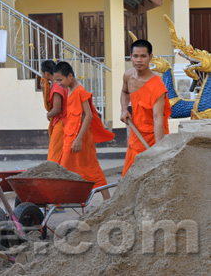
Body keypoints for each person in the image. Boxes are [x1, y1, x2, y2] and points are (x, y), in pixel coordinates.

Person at [54, 61, 114, 200]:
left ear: (70, 76)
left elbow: (89, 115)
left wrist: (79, 138)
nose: (58, 84)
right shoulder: (70, 90)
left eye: (60, 80)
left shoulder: (80, 91)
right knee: (71, 168)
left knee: (88, 168)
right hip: (71, 136)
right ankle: (69, 199)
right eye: (56, 80)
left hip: (80, 138)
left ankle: (107, 200)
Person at [120, 39, 171, 176]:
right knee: (129, 177)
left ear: (150, 57)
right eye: (135, 56)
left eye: (143, 56)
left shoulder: (157, 86)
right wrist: (124, 109)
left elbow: (158, 118)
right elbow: (124, 92)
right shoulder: (128, 76)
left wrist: (158, 150)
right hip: (136, 134)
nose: (139, 60)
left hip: (154, 137)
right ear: (130, 56)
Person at [40, 60, 68, 163]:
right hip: (63, 122)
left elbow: (56, 109)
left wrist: (49, 114)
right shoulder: (57, 84)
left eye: (41, 73)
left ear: (46, 74)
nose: (41, 75)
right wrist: (44, 89)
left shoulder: (57, 86)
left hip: (61, 124)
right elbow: (49, 105)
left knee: (54, 156)